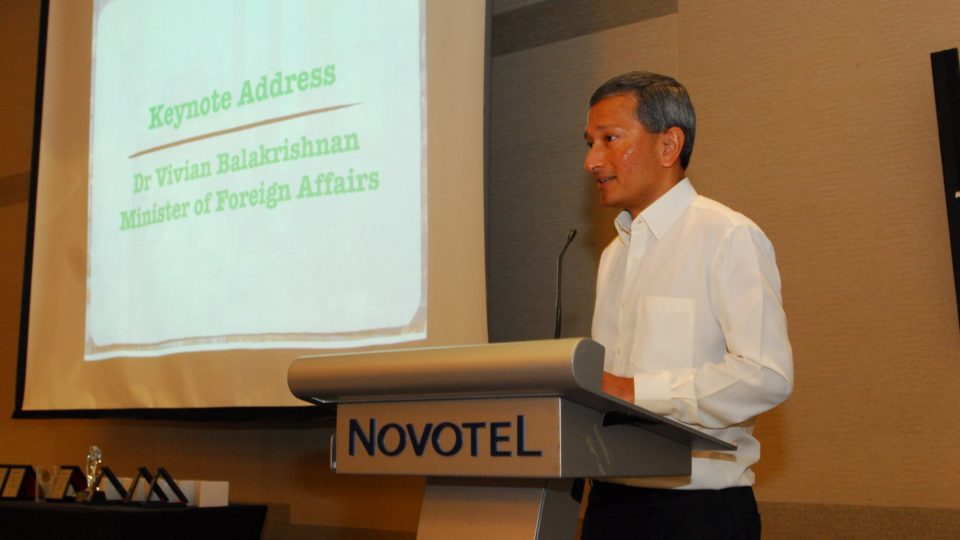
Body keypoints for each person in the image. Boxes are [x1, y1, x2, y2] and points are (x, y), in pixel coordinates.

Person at [581, 71, 793, 539]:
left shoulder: (727, 236)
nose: (592, 161)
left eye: (609, 139)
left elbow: (767, 375)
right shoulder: (614, 253)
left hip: (697, 514)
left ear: (668, 146)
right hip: (608, 505)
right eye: (589, 143)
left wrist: (637, 391)